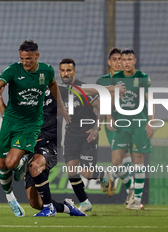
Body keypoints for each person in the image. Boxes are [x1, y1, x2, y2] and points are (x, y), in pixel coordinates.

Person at [0, 40, 69, 217]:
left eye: (29, 59)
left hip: (30, 125)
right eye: (22, 58)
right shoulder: (13, 70)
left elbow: (53, 84)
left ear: (37, 56)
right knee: (3, 164)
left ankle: (21, 160)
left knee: (10, 163)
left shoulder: (46, 71)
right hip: (10, 121)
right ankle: (11, 199)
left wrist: (60, 105)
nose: (25, 62)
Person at [0, 86, 85, 217]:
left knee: (35, 166)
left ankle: (49, 208)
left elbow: (84, 91)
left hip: (51, 144)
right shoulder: (24, 99)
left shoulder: (56, 92)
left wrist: (109, 89)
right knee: (36, 203)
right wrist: (0, 99)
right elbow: (9, 118)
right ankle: (67, 207)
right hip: (32, 148)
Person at [109, 48, 154, 210]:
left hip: (139, 124)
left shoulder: (142, 78)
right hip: (121, 124)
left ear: (134, 61)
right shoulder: (116, 77)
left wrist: (151, 122)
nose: (126, 63)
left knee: (138, 159)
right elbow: (112, 98)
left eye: (129, 59)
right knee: (116, 161)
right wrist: (109, 117)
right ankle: (113, 175)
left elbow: (151, 100)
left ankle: (136, 200)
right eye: (123, 59)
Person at [58, 58, 103, 213]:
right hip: (71, 134)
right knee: (71, 170)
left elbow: (100, 106)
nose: (65, 73)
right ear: (59, 72)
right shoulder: (60, 91)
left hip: (87, 133)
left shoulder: (84, 88)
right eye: (63, 70)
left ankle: (104, 175)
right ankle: (84, 202)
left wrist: (97, 128)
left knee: (86, 173)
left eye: (69, 70)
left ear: (74, 72)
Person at [96, 48, 134, 204]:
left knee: (127, 160)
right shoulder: (103, 80)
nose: (118, 62)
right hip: (113, 123)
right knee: (119, 162)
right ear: (109, 62)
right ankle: (131, 190)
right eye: (115, 59)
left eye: (121, 59)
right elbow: (101, 99)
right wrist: (109, 116)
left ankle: (113, 177)